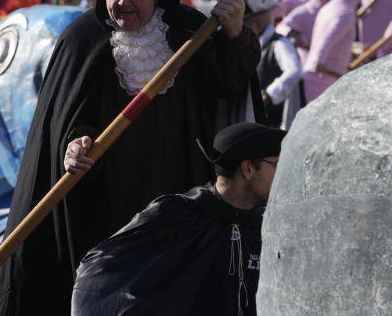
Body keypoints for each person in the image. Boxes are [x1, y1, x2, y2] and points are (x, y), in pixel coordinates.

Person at [0, 0, 263, 316]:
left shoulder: (192, 33)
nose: (122, 4)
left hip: (176, 191)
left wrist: (235, 35)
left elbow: (229, 84)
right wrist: (75, 144)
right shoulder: (82, 40)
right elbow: (67, 119)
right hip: (104, 203)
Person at [71, 122, 285, 316]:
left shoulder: (265, 225)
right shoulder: (177, 214)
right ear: (247, 169)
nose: (283, 174)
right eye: (276, 165)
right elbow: (97, 271)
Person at [244, 0, 304, 130]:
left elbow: (294, 71)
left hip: (277, 119)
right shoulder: (255, 44)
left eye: (247, 21)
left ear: (258, 20)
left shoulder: (280, 43)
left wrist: (269, 94)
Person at [302, 0, 362, 101]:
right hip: (325, 74)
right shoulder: (346, 12)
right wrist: (319, 60)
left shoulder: (329, 6)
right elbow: (329, 37)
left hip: (318, 72)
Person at [275, 0, 340, 68]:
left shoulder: (335, 13)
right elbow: (280, 27)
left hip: (331, 68)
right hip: (308, 66)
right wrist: (292, 33)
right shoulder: (305, 10)